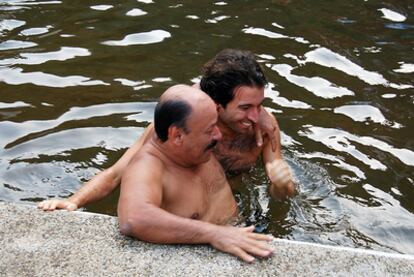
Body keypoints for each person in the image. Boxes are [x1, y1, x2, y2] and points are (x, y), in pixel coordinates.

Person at [38, 49, 295, 212]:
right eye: (246, 107)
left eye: (259, 105)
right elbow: (116, 173)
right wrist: (74, 201)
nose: (255, 115)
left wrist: (282, 186)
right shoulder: (181, 129)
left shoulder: (263, 125)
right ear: (216, 106)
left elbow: (278, 188)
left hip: (235, 201)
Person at [119, 85, 273, 262]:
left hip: (244, 231)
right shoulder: (148, 167)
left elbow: (221, 81)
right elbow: (134, 218)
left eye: (216, 125)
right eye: (209, 130)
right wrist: (215, 234)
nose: (218, 136)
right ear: (177, 136)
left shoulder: (197, 147)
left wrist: (260, 115)